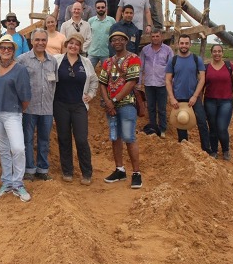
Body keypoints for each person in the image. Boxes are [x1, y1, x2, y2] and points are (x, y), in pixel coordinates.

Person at [0, 35, 32, 201]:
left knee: (18, 148)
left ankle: (18, 183)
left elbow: (26, 97)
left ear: (14, 51)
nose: (6, 51)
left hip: (12, 114)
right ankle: (7, 181)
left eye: (9, 48)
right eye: (3, 48)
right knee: (3, 149)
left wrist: (17, 110)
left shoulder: (20, 69)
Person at [99, 32, 143, 189]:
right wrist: (108, 102)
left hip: (126, 104)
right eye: (113, 40)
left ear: (126, 41)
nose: (117, 42)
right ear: (111, 44)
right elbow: (103, 83)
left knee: (129, 137)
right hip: (111, 106)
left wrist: (114, 101)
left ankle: (136, 173)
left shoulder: (133, 59)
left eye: (120, 39)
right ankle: (119, 169)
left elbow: (131, 83)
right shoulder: (108, 62)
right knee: (115, 137)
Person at [54, 34, 98, 185]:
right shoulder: (57, 60)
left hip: (79, 105)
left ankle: (86, 172)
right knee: (64, 138)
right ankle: (67, 171)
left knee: (81, 139)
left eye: (77, 44)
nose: (73, 46)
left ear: (80, 47)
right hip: (60, 105)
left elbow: (94, 81)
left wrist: (91, 95)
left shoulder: (85, 63)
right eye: (71, 43)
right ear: (66, 44)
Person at [17, 29, 58, 182]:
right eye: (37, 40)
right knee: (27, 139)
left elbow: (54, 85)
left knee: (44, 140)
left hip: (47, 108)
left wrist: (51, 106)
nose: (40, 43)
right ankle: (29, 169)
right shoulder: (22, 60)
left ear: (47, 41)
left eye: (43, 40)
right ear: (31, 41)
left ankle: (42, 169)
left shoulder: (53, 61)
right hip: (29, 108)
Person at [165, 34, 210, 153]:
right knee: (181, 122)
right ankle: (184, 149)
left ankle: (206, 149)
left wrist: (195, 96)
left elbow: (202, 79)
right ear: (178, 44)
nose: (184, 46)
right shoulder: (173, 61)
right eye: (182, 43)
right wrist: (171, 97)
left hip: (194, 98)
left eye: (186, 43)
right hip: (178, 98)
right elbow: (168, 80)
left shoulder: (196, 59)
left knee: (202, 122)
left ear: (190, 44)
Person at [203, 44, 233, 160]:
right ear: (211, 53)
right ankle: (214, 151)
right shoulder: (206, 68)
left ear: (223, 53)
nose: (217, 53)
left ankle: (226, 150)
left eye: (219, 51)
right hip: (210, 101)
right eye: (214, 51)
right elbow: (201, 86)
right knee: (212, 127)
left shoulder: (230, 67)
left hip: (226, 102)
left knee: (222, 128)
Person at [139, 28, 174, 138]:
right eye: (153, 36)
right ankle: (153, 128)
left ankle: (162, 129)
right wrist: (139, 82)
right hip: (149, 83)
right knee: (151, 107)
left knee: (162, 108)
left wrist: (171, 84)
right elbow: (141, 67)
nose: (155, 38)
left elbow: (171, 69)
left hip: (162, 84)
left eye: (157, 36)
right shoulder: (145, 50)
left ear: (161, 37)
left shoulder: (168, 50)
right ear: (150, 37)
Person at [87, 0, 116, 68]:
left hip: (106, 53)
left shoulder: (112, 21)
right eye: (98, 7)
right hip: (92, 52)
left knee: (108, 74)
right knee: (87, 72)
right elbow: (87, 36)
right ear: (95, 9)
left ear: (106, 8)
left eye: (103, 7)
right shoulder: (91, 21)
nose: (101, 9)